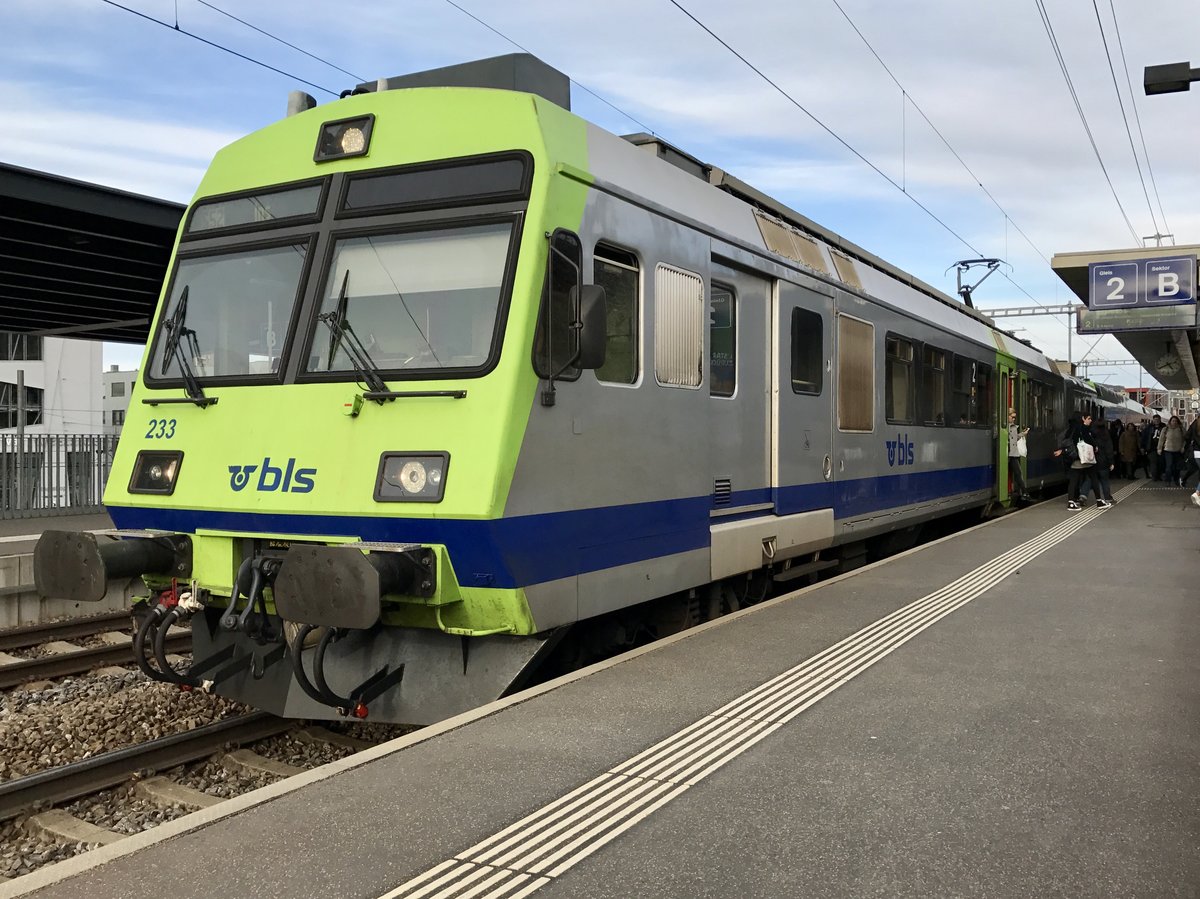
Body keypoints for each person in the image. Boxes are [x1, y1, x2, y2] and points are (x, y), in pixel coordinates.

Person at [1055, 413, 1106, 510]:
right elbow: (1088, 440)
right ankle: (1099, 501)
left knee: (1073, 480)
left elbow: (1068, 442)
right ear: (1083, 419)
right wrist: (1095, 446)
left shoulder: (1073, 429)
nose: (1090, 421)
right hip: (1084, 458)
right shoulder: (1083, 429)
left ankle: (1071, 502)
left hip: (1077, 458)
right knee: (1093, 478)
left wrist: (1062, 451)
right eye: (1089, 418)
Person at [1005, 409, 1031, 501]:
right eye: (1012, 417)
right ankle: (1024, 492)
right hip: (1010, 454)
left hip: (1012, 454)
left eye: (1015, 417)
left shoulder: (1012, 427)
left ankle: (1024, 492)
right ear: (1007, 416)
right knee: (1018, 473)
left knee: (1018, 473)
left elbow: (1014, 439)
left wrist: (1022, 434)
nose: (1014, 419)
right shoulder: (1007, 427)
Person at [1091, 417, 1116, 503]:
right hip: (1103, 462)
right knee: (1104, 481)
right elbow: (1109, 450)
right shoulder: (1106, 436)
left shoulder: (1091, 435)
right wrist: (1111, 462)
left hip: (1091, 461)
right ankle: (1107, 497)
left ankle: (1082, 496)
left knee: (1089, 479)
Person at [1157, 415, 1186, 486]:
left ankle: (1176, 480)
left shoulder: (1181, 429)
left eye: (1176, 421)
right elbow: (1161, 440)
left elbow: (1185, 440)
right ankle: (1168, 480)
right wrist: (1159, 448)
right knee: (1168, 466)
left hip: (1178, 451)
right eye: (1173, 421)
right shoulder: (1165, 429)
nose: (1174, 422)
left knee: (1177, 467)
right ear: (1170, 421)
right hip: (1168, 450)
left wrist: (1183, 447)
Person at [1142, 414, 1166, 481]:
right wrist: (1143, 447)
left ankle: (1158, 475)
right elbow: (1144, 437)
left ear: (1160, 420)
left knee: (1161, 463)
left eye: (1158, 419)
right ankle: (1154, 476)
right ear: (1153, 420)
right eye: (1155, 419)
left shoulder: (1164, 427)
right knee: (1153, 462)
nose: (1156, 421)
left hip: (1162, 448)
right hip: (1151, 448)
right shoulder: (1148, 428)